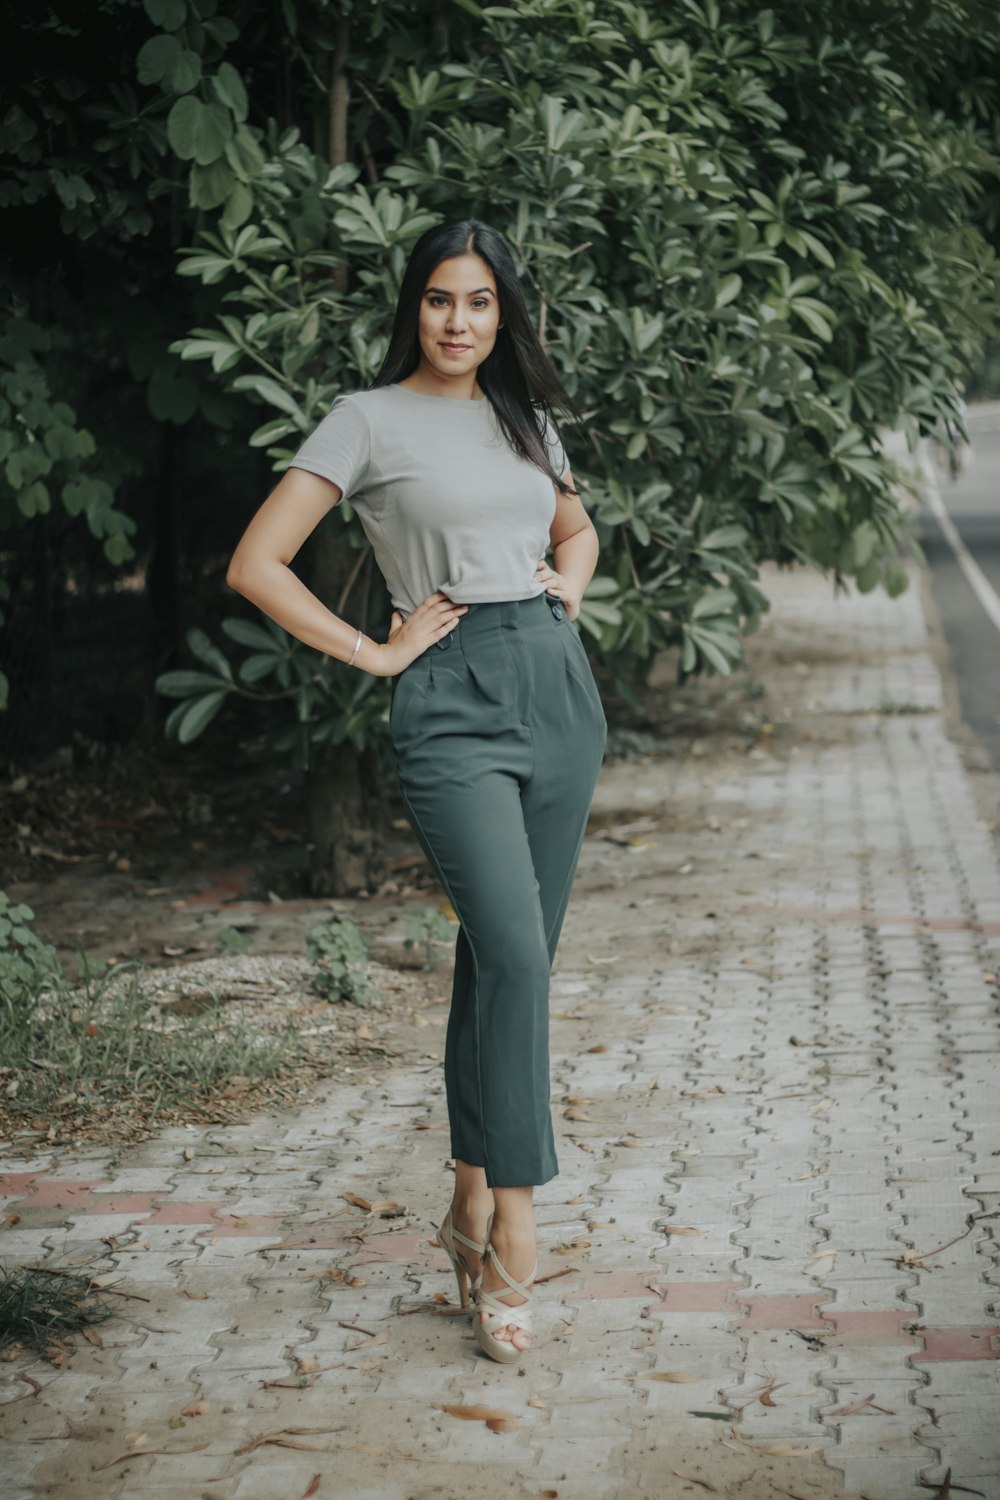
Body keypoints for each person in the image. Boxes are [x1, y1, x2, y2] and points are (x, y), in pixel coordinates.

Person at [225, 218, 608, 1364]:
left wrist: (565, 589)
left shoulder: (525, 418)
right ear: (415, 307)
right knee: (518, 951)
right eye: (441, 301)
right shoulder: (367, 417)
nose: (459, 322)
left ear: (504, 315)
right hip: (447, 703)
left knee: (502, 954)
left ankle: (461, 1202)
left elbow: (579, 531)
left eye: (481, 303)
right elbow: (256, 562)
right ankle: (515, 1224)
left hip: (554, 691)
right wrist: (373, 652)